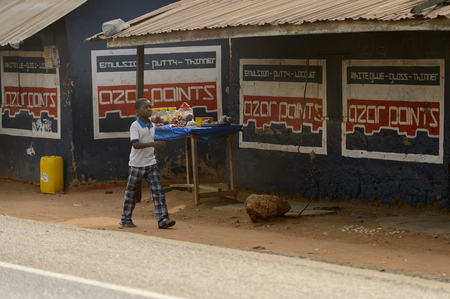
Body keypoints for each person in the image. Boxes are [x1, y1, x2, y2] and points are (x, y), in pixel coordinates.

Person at [120, 98, 176, 229]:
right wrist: (153, 144)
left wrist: (154, 152)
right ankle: (126, 218)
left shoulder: (153, 125)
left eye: (150, 107)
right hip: (136, 165)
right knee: (131, 192)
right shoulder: (135, 126)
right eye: (146, 107)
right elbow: (136, 144)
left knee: (158, 191)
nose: (149, 109)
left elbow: (149, 141)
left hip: (151, 164)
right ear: (138, 111)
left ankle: (163, 220)